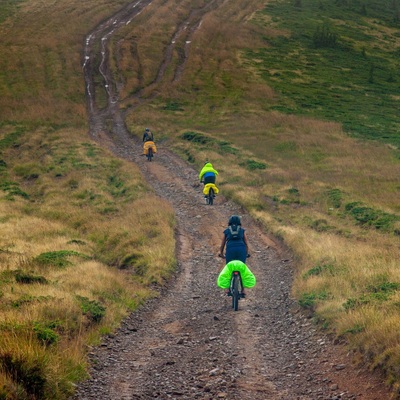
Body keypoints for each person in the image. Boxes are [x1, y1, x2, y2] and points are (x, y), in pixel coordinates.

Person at [218, 215, 252, 296]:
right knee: (242, 269)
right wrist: (246, 253)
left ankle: (227, 288)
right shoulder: (242, 230)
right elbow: (246, 243)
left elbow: (222, 244)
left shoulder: (227, 231)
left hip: (230, 249)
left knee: (229, 268)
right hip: (241, 249)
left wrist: (221, 253)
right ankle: (243, 290)